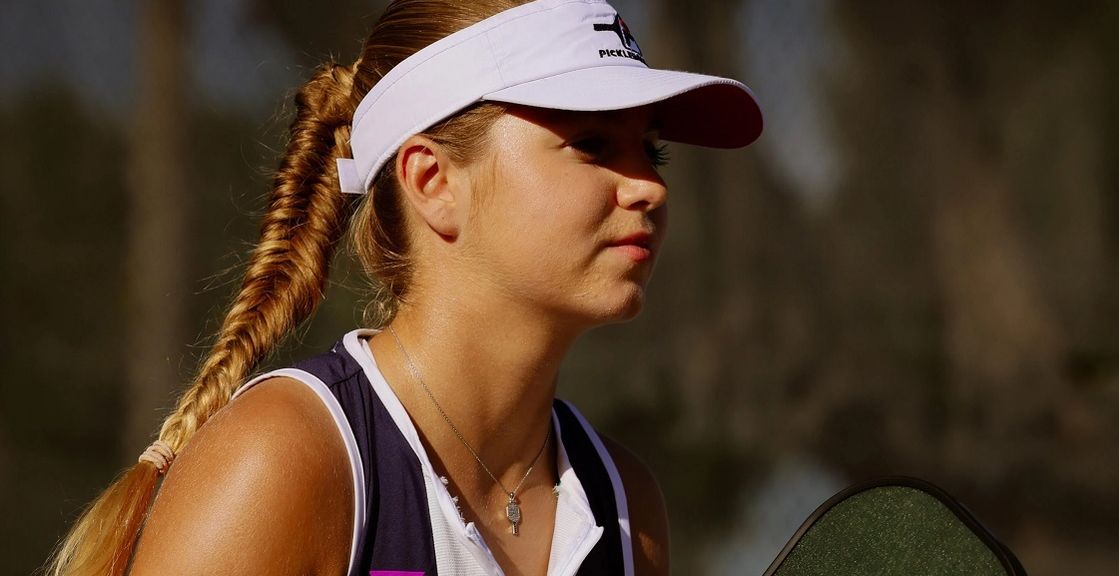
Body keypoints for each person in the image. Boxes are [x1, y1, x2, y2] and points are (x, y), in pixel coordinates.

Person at [48, 0, 762, 574]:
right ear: (432, 181)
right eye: (593, 144)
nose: (647, 187)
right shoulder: (286, 462)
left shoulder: (628, 505)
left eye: (652, 149)